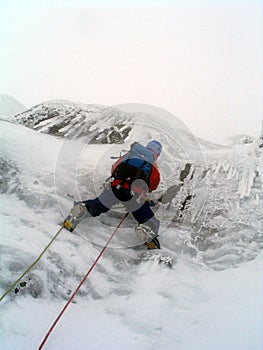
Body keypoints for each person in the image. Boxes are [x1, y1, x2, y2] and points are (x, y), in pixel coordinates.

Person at [63, 140, 162, 249]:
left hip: (116, 188)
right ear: (157, 154)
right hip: (135, 196)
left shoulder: (131, 154)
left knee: (99, 205)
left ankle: (84, 208)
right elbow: (153, 185)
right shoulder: (152, 164)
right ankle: (147, 229)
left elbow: (115, 168)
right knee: (149, 219)